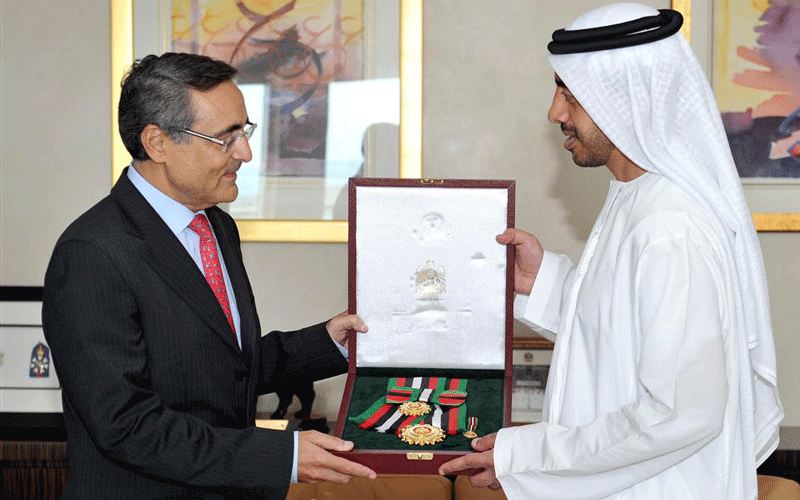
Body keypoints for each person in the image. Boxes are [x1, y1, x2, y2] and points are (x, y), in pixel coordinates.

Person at [439, 4, 783, 499]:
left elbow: (679, 414)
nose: (555, 113)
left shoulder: (670, 226)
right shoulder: (636, 199)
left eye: (570, 95)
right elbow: (624, 337)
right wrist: (546, 284)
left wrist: (526, 454)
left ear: (626, 101)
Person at [42, 52, 375, 500]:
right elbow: (127, 425)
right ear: (157, 143)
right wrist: (284, 457)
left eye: (245, 130)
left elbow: (221, 369)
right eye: (225, 137)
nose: (246, 152)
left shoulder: (215, 224)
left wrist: (329, 342)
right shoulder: (92, 253)